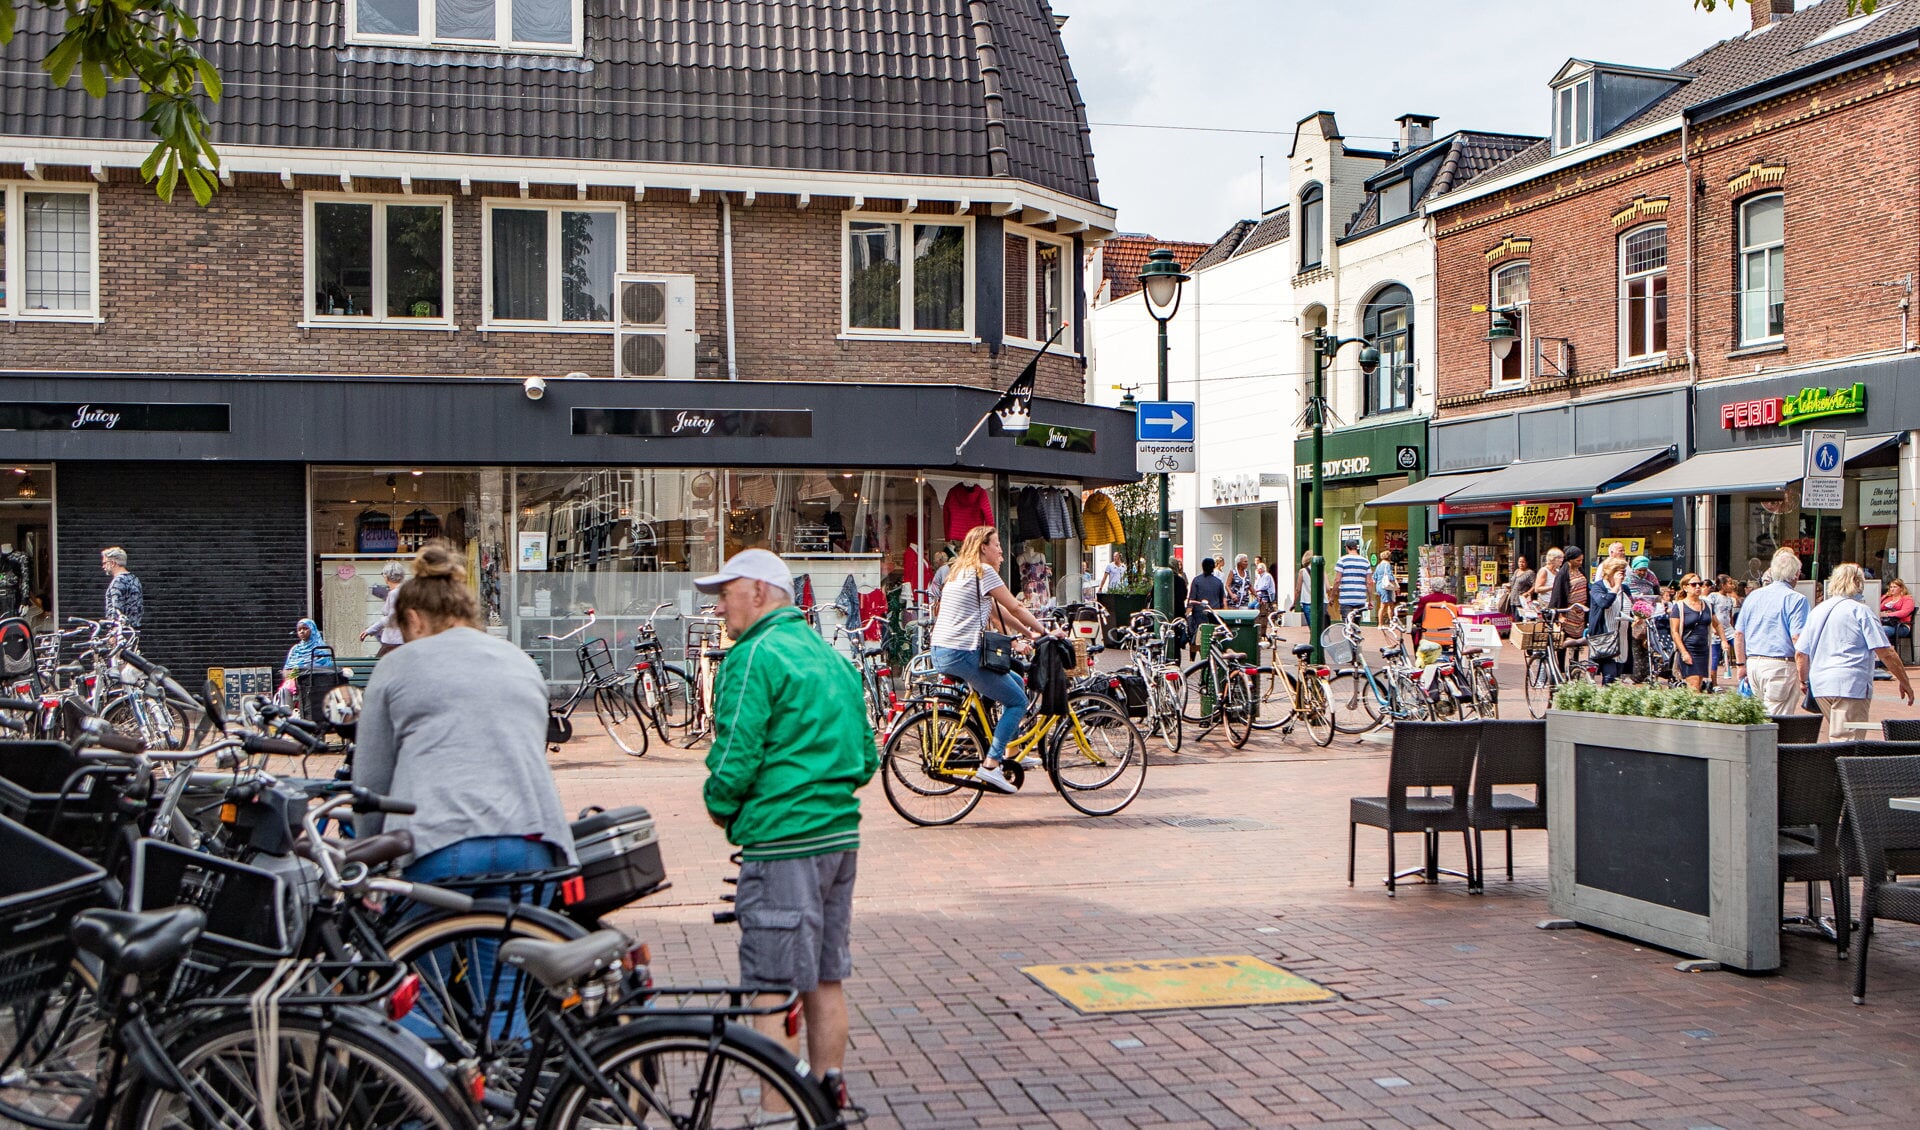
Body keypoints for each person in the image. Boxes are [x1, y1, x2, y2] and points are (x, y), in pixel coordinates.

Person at [354, 545, 578, 1035]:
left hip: (443, 841)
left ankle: (425, 1107)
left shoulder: (396, 667)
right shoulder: (518, 660)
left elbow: (370, 784)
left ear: (413, 617)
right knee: (502, 998)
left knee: (419, 995)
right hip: (534, 840)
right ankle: (509, 1098)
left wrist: (364, 859)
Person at [695, 548, 878, 1097]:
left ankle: (780, 1112)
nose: (721, 606)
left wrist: (723, 807)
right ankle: (825, 1098)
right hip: (838, 837)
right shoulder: (832, 658)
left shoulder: (753, 657)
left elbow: (733, 758)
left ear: (757, 591)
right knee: (826, 979)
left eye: (727, 593)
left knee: (771, 988)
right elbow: (867, 757)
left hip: (782, 841)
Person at [929, 526, 1054, 792]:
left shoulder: (959, 572)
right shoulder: (984, 572)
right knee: (1018, 701)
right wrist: (1045, 632)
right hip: (963, 653)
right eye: (997, 545)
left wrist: (1029, 633)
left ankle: (1010, 753)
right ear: (983, 548)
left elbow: (1000, 616)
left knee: (1016, 681)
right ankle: (991, 766)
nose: (1001, 551)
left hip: (941, 650)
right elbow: (1016, 606)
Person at [1797, 562, 1914, 740]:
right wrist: (1904, 680)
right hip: (1849, 684)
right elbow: (1885, 651)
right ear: (1858, 583)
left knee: (1838, 736)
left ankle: (1835, 766)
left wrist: (1803, 680)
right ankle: (1841, 768)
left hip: (1821, 685)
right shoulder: (1861, 611)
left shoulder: (1817, 611)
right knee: (1848, 742)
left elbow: (1801, 652)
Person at [1733, 547, 1811, 716]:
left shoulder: (1753, 596)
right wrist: (1804, 677)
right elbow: (1798, 639)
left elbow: (1739, 634)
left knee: (1759, 718)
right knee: (1775, 723)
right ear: (1796, 574)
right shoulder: (1796, 599)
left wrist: (1741, 665)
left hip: (1754, 664)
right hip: (1780, 666)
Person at [1669, 574, 1725, 692]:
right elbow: (1674, 632)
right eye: (1694, 584)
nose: (1698, 587)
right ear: (1685, 587)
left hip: (1704, 649)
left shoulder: (1707, 605)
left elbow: (1717, 624)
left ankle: (1690, 708)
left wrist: (1724, 640)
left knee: (1698, 684)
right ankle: (1695, 709)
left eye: (1700, 584)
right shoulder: (1679, 607)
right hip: (1689, 648)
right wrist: (1684, 652)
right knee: (1693, 686)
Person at [1588, 559, 1631, 684]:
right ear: (1610, 572)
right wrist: (1616, 586)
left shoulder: (1626, 589)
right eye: (1619, 572)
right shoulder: (1599, 587)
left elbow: (1629, 607)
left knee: (1617, 675)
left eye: (1623, 572)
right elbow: (1604, 603)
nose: (1622, 576)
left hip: (1622, 637)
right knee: (1609, 676)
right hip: (1605, 638)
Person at [360, 560, 409, 656]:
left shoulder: (394, 593)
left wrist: (371, 630)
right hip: (404, 638)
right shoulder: (406, 591)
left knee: (379, 666)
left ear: (386, 577)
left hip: (394, 640)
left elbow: (391, 618)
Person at [1186, 557, 1227, 657]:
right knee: (1214, 639)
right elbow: (1223, 601)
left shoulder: (1197, 580)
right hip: (1214, 615)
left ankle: (1203, 659)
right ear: (1213, 567)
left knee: (1200, 640)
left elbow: (1191, 600)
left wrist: (1188, 614)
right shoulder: (1218, 582)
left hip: (1199, 615)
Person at [1330, 540, 1374, 625]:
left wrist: (1332, 596)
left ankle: (1349, 637)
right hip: (1360, 598)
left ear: (1347, 547)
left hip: (1346, 598)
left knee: (1347, 624)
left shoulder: (1342, 560)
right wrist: (1370, 600)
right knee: (1356, 624)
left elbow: (1337, 580)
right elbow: (1369, 582)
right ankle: (1356, 636)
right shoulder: (1365, 562)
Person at [1706, 575, 1739, 684]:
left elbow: (1729, 615)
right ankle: (1714, 682)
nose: (1732, 586)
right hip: (1715, 631)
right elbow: (1709, 612)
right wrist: (1712, 627)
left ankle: (1743, 675)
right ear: (1722, 585)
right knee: (1715, 657)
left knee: (1739, 647)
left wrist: (1732, 627)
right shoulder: (1713, 597)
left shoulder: (1730, 599)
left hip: (1728, 630)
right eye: (1729, 583)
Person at [100, 546, 143, 629]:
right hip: (133, 630)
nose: (103, 567)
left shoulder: (118, 581)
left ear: (112, 563)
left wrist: (113, 632)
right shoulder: (134, 579)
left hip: (120, 631)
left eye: (105, 563)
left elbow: (116, 609)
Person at [1879, 576, 1914, 643]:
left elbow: (1904, 612)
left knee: (1881, 630)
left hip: (1901, 626)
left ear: (1901, 588)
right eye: (1891, 587)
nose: (1892, 589)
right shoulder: (1886, 598)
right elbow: (1877, 607)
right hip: (1884, 623)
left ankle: (1887, 651)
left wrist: (1888, 614)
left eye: (1895, 587)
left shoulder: (1907, 599)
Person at [1373, 553, 1398, 623]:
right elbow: (1390, 576)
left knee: (1389, 604)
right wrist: (1395, 585)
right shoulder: (1387, 565)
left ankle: (1390, 621)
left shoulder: (1378, 565)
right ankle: (1382, 624)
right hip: (1386, 587)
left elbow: (1374, 577)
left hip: (1379, 586)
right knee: (1385, 606)